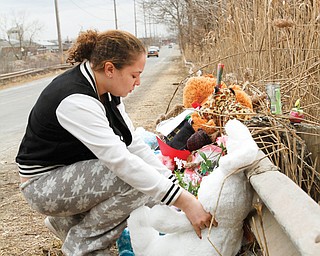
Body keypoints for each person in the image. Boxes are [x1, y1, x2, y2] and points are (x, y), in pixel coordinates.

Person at [16, 29, 211, 256]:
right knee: (136, 181)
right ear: (110, 69)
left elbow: (133, 145)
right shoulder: (76, 99)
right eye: (134, 75)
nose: (138, 82)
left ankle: (68, 223)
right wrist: (184, 202)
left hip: (69, 174)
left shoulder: (106, 91)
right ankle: (82, 244)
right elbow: (120, 161)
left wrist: (174, 184)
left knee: (149, 181)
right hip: (42, 186)